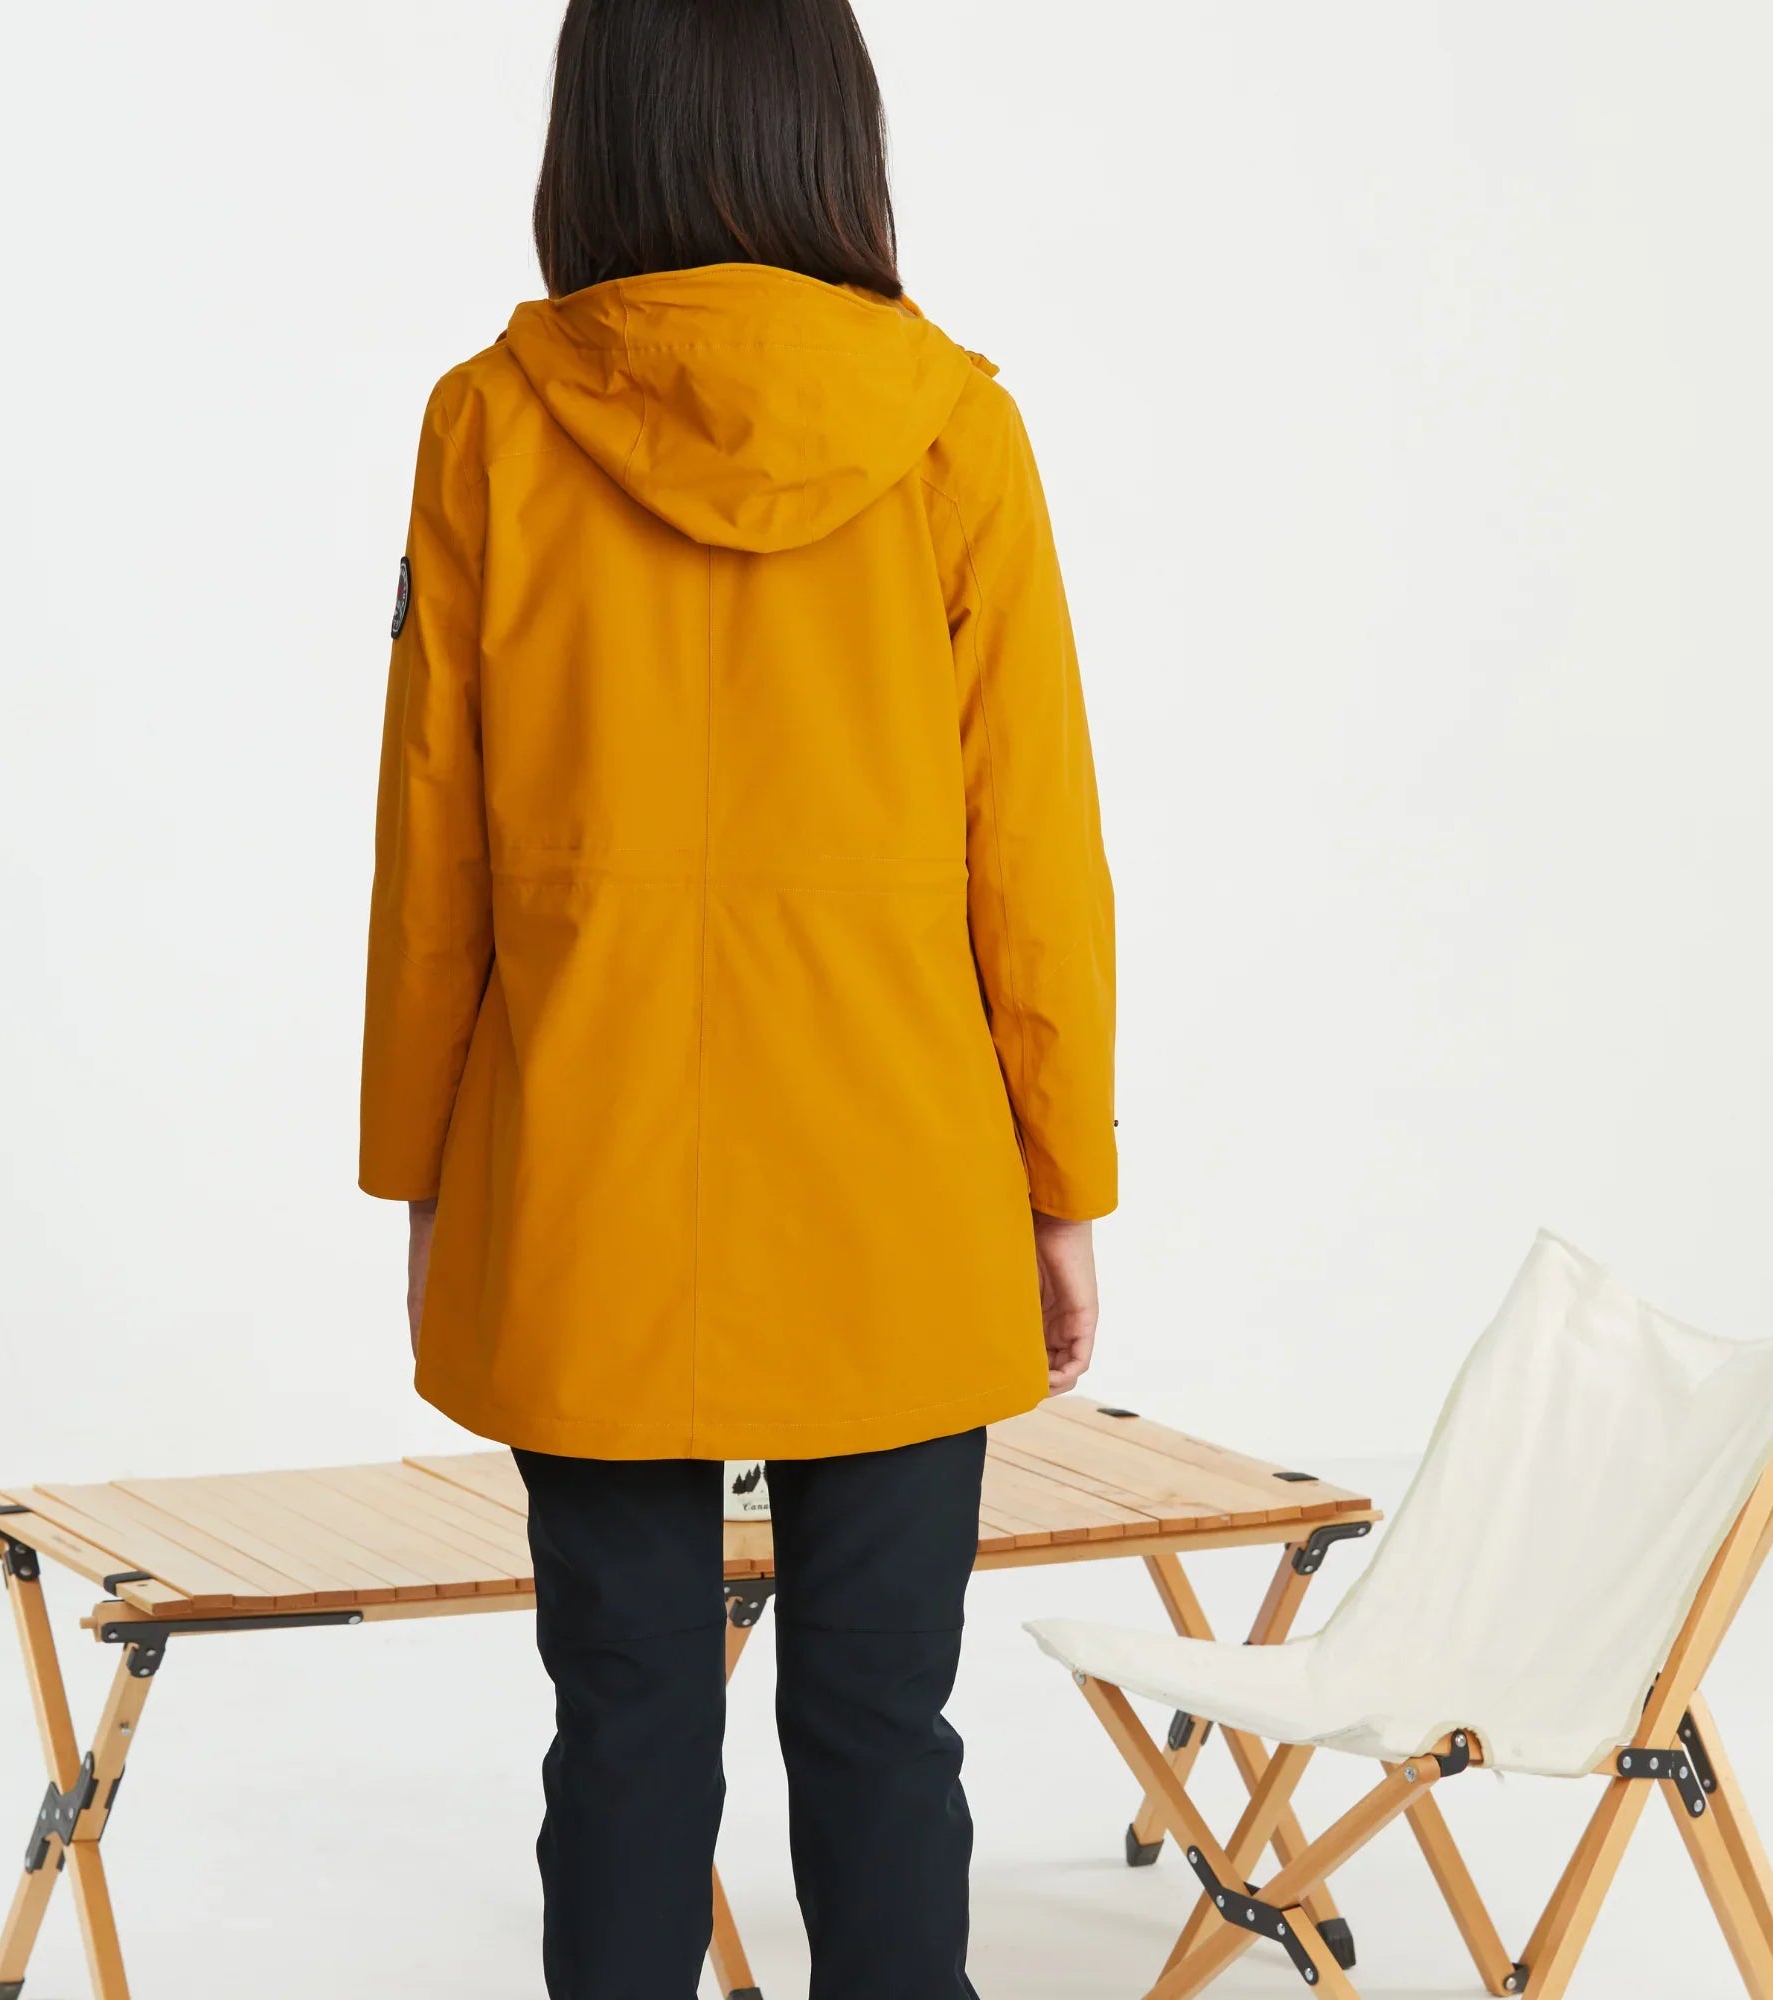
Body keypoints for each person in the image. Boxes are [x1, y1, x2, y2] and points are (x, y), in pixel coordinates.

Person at [358, 1, 1115, 1991]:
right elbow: (1030, 855)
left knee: (619, 1723)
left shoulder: (488, 423)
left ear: (593, 129)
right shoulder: (955, 425)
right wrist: (1060, 1181)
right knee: (879, 1726)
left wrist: (423, 1168)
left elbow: (429, 841)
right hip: (898, 1183)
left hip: (586, 1174)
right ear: (826, 131)